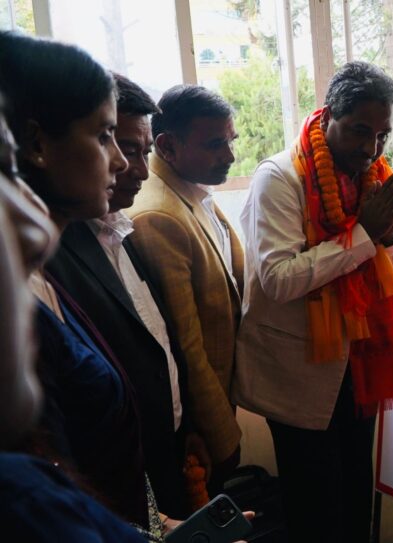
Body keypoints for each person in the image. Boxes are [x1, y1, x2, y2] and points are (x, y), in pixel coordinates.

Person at [233, 62, 393, 543]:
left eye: (382, 135)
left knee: (356, 494)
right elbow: (278, 279)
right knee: (316, 508)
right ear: (329, 114)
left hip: (361, 362)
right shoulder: (280, 178)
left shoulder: (373, 176)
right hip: (300, 371)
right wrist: (364, 234)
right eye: (360, 130)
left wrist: (387, 233)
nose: (371, 148)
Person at [0, 31, 153, 530]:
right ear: (36, 144)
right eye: (104, 136)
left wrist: (152, 523)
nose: (122, 163)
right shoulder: (16, 303)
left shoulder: (44, 276)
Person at [44, 73, 201, 519]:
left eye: (141, 151)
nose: (137, 169)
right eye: (124, 148)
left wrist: (185, 424)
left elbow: (156, 341)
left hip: (164, 451)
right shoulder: (50, 253)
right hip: (114, 482)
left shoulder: (122, 228)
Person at [126, 84, 243, 492]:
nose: (230, 156)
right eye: (215, 144)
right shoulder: (158, 215)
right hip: (200, 424)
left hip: (220, 400)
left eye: (230, 141)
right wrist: (222, 436)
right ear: (168, 146)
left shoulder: (189, 188)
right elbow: (186, 345)